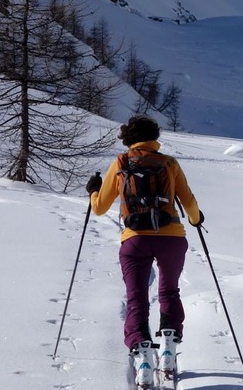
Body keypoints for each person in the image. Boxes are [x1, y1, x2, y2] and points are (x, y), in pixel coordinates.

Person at [86, 114, 204, 355]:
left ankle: (141, 349)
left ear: (128, 138)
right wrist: (196, 219)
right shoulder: (169, 163)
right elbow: (188, 200)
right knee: (170, 290)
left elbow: (99, 208)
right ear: (155, 137)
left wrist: (93, 191)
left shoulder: (120, 163)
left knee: (136, 297)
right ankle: (169, 343)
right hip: (171, 237)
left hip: (135, 239)